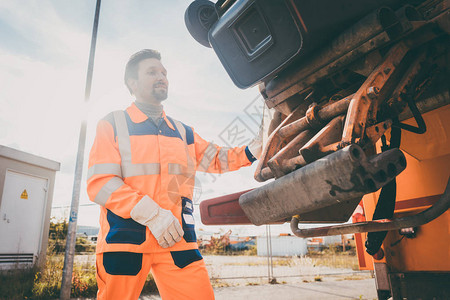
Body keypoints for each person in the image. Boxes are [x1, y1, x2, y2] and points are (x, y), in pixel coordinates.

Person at [87, 49, 263, 300]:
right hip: (125, 241)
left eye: (164, 73)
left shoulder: (183, 132)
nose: (162, 77)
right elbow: (100, 183)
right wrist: (153, 215)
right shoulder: (113, 124)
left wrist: (250, 151)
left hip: (177, 240)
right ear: (132, 83)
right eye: (152, 72)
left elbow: (216, 158)